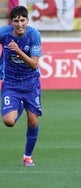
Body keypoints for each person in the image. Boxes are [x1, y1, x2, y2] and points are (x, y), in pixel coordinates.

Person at [0, 6, 42, 166]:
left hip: (31, 83)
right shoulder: (4, 33)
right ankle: (19, 107)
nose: (19, 24)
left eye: (22, 20)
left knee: (33, 121)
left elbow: (34, 64)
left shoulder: (33, 35)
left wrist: (18, 51)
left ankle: (27, 156)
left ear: (27, 20)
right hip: (11, 83)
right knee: (9, 122)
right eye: (16, 21)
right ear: (11, 22)